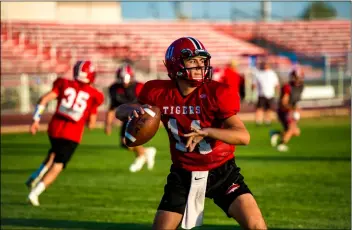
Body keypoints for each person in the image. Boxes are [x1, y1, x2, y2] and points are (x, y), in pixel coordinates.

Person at [116, 37, 266, 230]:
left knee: (256, 225)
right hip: (183, 173)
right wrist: (131, 111)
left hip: (222, 171)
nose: (200, 66)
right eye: (192, 61)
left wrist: (209, 132)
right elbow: (120, 111)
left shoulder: (216, 92)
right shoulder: (157, 92)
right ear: (176, 64)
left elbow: (243, 136)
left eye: (202, 61)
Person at [25, 60, 105, 206]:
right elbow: (92, 124)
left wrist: (36, 120)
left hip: (54, 128)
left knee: (54, 152)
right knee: (58, 165)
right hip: (71, 134)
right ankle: (35, 193)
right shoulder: (94, 95)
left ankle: (35, 175)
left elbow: (44, 99)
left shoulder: (63, 83)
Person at [105, 63, 156, 173]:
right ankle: (146, 152)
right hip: (128, 117)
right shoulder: (114, 89)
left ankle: (141, 157)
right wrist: (108, 124)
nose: (124, 81)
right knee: (125, 143)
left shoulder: (139, 87)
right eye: (122, 78)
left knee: (129, 141)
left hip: (140, 116)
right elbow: (112, 107)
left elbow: (150, 102)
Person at [270, 68, 305, 152]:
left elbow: (295, 100)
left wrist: (296, 109)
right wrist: (293, 109)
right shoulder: (287, 87)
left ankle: (275, 133)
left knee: (296, 132)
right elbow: (284, 102)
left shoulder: (301, 87)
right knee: (291, 129)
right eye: (296, 77)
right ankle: (281, 144)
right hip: (284, 111)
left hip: (291, 111)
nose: (298, 79)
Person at [252, 60, 280, 126]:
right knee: (259, 108)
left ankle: (268, 121)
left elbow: (276, 84)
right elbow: (254, 84)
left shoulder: (272, 73)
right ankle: (258, 121)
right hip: (261, 94)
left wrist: (278, 91)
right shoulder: (258, 73)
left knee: (269, 108)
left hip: (270, 94)